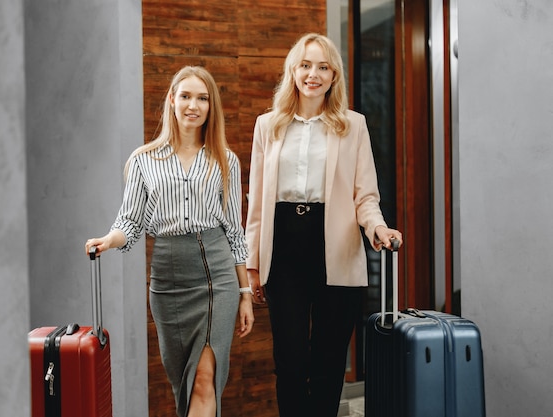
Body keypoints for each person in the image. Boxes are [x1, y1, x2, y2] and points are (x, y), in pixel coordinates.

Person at [245, 33, 403, 417]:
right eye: (305, 65)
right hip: (283, 251)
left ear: (334, 76)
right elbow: (257, 203)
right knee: (291, 362)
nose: (312, 74)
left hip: (337, 249)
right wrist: (252, 264)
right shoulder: (268, 126)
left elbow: (365, 196)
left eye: (323, 67)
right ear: (292, 71)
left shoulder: (353, 126)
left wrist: (378, 229)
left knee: (330, 364)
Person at [85, 66, 254, 417]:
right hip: (169, 280)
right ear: (172, 101)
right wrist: (107, 240)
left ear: (212, 106)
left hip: (216, 278)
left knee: (205, 378)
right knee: (184, 383)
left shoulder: (226, 161)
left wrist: (244, 294)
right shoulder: (143, 161)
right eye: (186, 96)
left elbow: (235, 232)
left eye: (203, 98)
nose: (194, 105)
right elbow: (129, 222)